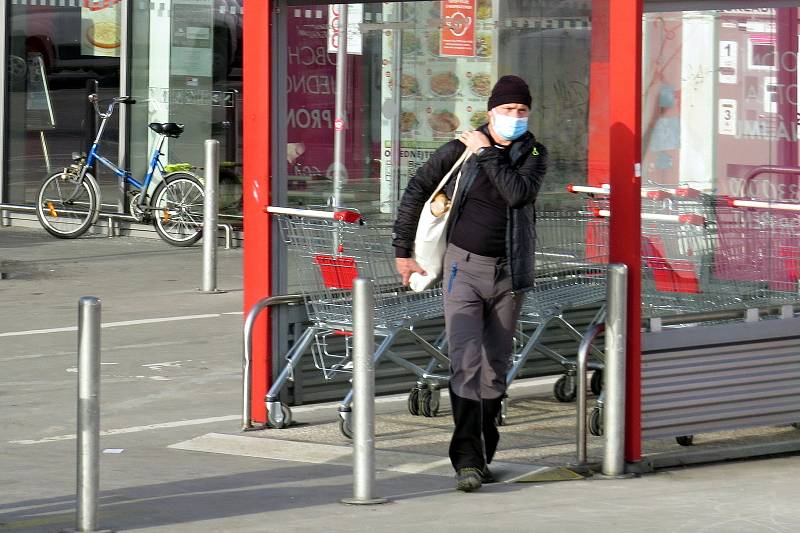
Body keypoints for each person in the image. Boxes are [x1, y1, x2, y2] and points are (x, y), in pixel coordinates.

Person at [392, 75, 547, 492]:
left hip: (509, 273)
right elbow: (418, 189)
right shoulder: (460, 150)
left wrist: (488, 154)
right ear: (491, 111)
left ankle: (484, 451)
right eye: (507, 110)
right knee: (466, 360)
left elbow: (518, 194)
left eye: (521, 110)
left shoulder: (532, 152)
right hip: (464, 267)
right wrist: (402, 250)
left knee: (495, 367)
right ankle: (466, 461)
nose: (515, 117)